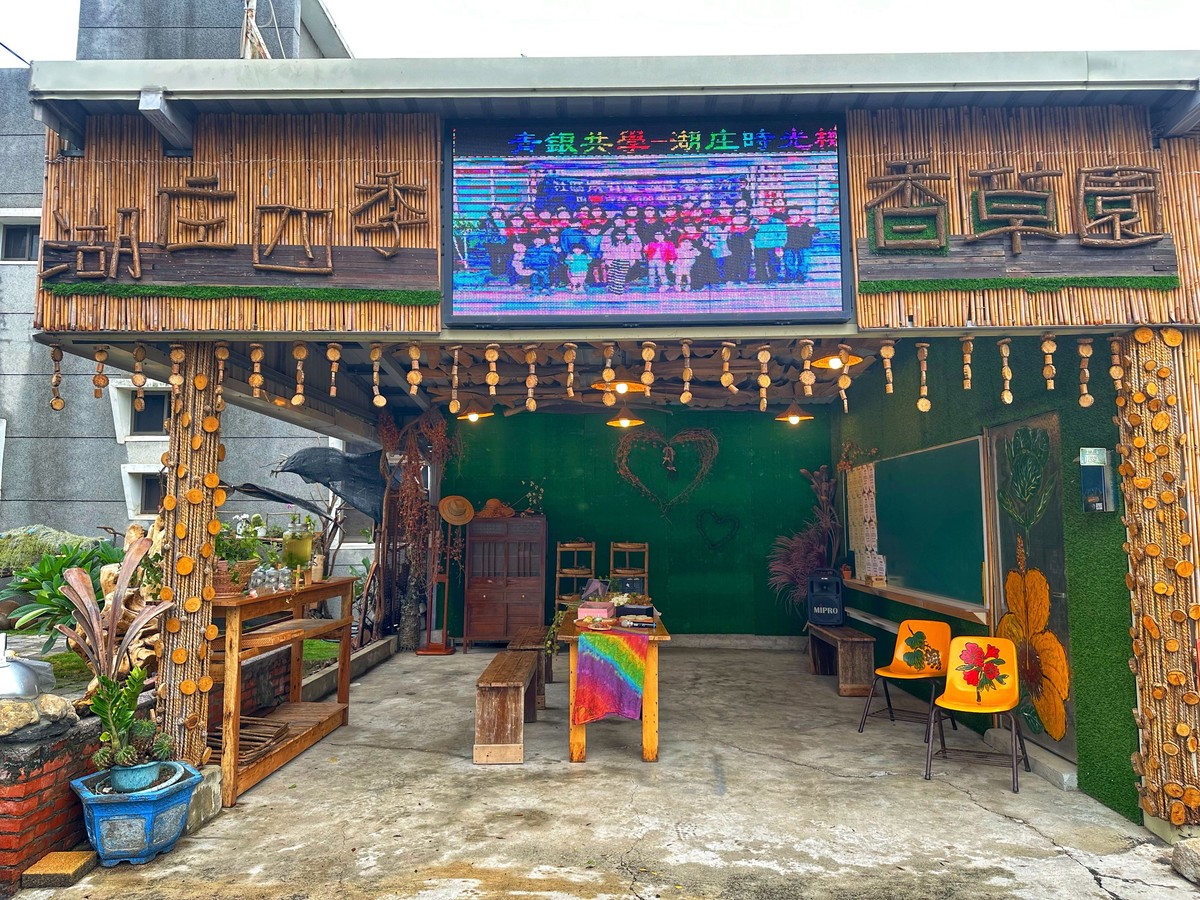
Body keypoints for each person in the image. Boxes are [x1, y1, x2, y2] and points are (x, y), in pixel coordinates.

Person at [784, 208, 820, 283]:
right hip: (789, 245)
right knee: (789, 261)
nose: (793, 216)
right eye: (791, 214)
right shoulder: (785, 223)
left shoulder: (806, 222)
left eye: (795, 214)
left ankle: (802, 276)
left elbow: (816, 231)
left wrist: (812, 226)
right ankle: (790, 277)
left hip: (804, 245)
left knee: (804, 261)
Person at [752, 211, 787, 283]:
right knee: (760, 263)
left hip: (773, 246)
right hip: (759, 246)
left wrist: (779, 246)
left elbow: (782, 235)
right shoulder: (754, 222)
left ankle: (774, 277)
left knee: (773, 263)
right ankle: (762, 278)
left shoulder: (777, 222)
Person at [604, 231, 639, 295]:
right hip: (614, 261)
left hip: (624, 261)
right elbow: (608, 252)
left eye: (623, 235)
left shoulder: (629, 243)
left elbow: (631, 253)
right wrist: (608, 261)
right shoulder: (612, 243)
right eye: (618, 235)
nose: (620, 236)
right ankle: (612, 289)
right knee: (611, 276)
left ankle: (618, 291)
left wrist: (632, 261)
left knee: (620, 277)